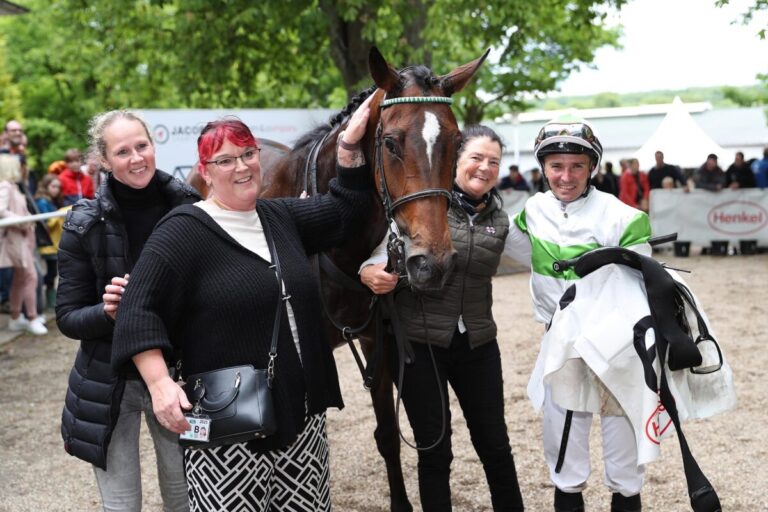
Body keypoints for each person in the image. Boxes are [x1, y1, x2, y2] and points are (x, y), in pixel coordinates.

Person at [111, 99, 374, 511]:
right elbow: (137, 311)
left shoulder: (279, 216)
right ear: (205, 172)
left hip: (299, 416)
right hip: (225, 427)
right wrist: (160, 384)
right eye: (225, 160)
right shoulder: (182, 231)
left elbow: (346, 211)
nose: (242, 166)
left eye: (249, 154)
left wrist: (349, 148)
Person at [359, 125, 525, 512]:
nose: (484, 167)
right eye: (476, 158)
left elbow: (546, 258)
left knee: (496, 445)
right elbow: (377, 255)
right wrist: (368, 272)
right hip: (421, 347)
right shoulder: (418, 210)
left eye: (493, 161)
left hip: (479, 345)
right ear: (453, 161)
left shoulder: (502, 221)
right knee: (435, 449)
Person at [504, 115, 652, 512]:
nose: (565, 176)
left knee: (624, 455)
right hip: (561, 344)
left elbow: (641, 286)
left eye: (576, 166)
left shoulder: (624, 217)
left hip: (618, 347)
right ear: (543, 169)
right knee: (565, 451)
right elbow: (511, 248)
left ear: (592, 168)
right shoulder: (531, 210)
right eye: (556, 166)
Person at [57, 110, 201, 511]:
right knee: (121, 505)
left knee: (184, 498)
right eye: (123, 151)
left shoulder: (190, 207)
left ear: (154, 145)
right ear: (103, 160)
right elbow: (67, 316)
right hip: (108, 379)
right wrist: (106, 312)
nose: (136, 158)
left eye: (142, 146)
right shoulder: (82, 223)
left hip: (177, 374)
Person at [0, 153, 48, 335]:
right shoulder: (5, 186)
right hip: (15, 238)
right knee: (30, 276)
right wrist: (22, 220)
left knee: (20, 278)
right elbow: (1, 210)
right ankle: (32, 317)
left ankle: (15, 317)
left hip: (22, 237)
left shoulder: (12, 186)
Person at [34, 174, 63, 309]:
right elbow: (46, 223)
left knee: (53, 271)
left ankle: (51, 299)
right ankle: (48, 299)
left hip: (53, 242)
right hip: (47, 243)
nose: (56, 190)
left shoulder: (51, 201)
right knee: (51, 272)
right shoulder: (42, 202)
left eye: (58, 187)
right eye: (53, 186)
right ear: (45, 186)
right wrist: (60, 215)